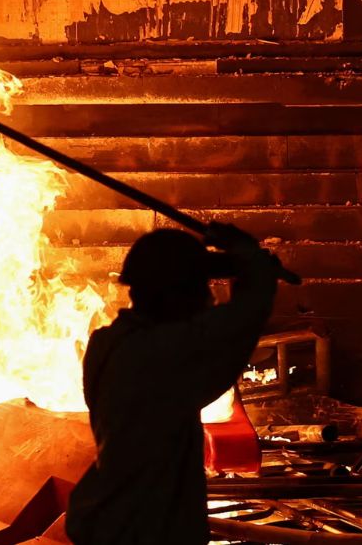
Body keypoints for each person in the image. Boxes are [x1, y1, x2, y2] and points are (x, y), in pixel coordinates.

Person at [65, 223, 281, 544]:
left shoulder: (107, 343)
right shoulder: (159, 353)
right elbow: (243, 318)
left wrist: (239, 265)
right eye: (200, 289)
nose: (206, 299)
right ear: (175, 296)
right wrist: (253, 261)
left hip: (111, 517)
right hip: (145, 529)